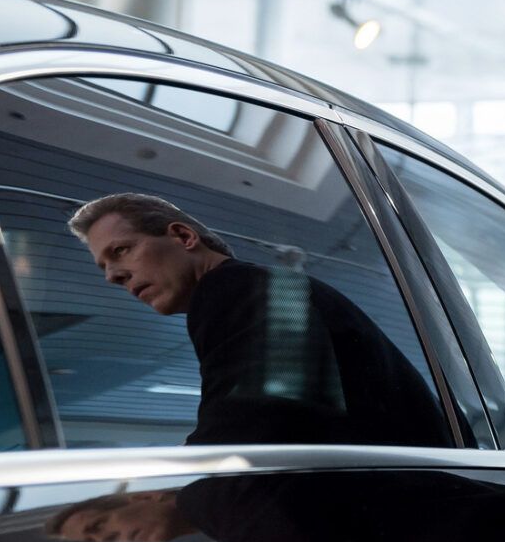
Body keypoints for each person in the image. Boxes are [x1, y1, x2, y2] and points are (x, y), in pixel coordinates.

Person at [66, 192, 447, 448]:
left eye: (121, 251)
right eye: (104, 267)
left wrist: (170, 495)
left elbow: (245, 432)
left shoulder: (234, 290)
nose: (112, 277)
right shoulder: (263, 289)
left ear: (183, 236)